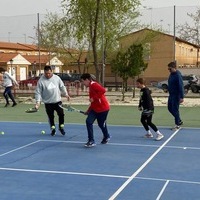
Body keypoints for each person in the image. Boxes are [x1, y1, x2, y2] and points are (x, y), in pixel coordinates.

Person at [35, 65, 70, 136]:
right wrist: (38, 102)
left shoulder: (57, 78)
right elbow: (38, 92)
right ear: (44, 72)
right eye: (46, 73)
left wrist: (66, 94)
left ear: (52, 72)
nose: (48, 75)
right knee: (51, 117)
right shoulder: (41, 81)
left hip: (57, 101)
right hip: (48, 103)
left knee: (61, 114)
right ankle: (53, 129)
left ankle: (61, 127)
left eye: (49, 73)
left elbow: (62, 86)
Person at [80, 73, 110, 147]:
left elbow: (103, 90)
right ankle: (91, 140)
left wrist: (94, 98)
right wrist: (88, 110)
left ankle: (106, 136)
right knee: (88, 121)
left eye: (83, 81)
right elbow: (93, 102)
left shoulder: (94, 84)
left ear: (87, 80)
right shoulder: (90, 87)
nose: (83, 83)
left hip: (103, 109)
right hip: (95, 109)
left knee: (101, 124)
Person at [167, 61, 184, 130]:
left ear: (174, 68)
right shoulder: (171, 74)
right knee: (169, 108)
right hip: (171, 95)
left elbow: (181, 86)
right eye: (168, 69)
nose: (169, 70)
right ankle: (179, 120)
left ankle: (177, 124)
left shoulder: (177, 75)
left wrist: (181, 97)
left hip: (176, 95)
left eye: (170, 69)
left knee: (175, 109)